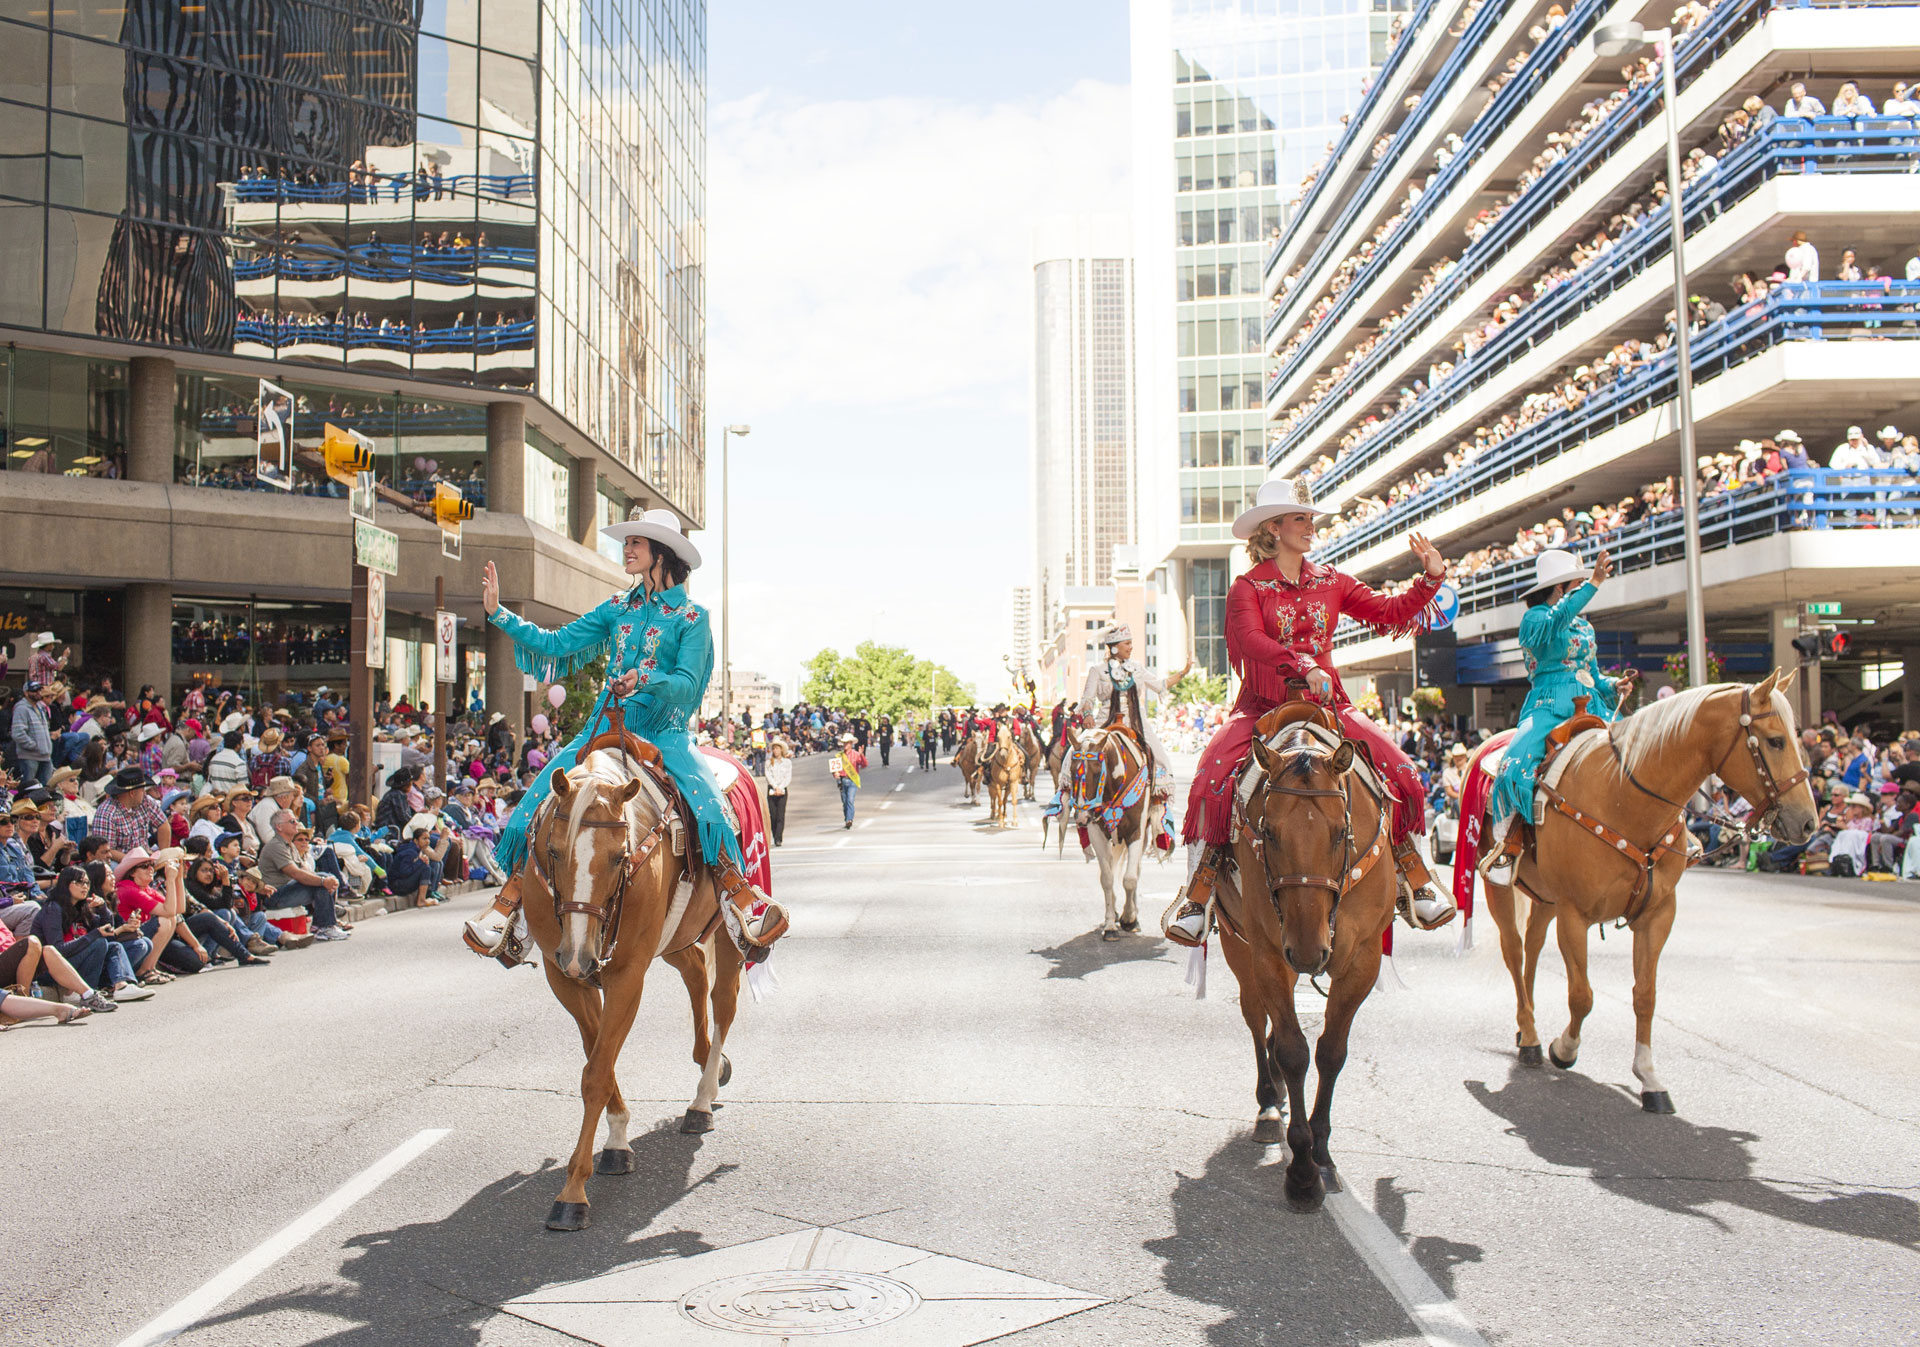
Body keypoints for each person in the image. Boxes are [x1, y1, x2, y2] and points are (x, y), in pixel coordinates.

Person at [463, 509, 788, 961]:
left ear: (662, 553)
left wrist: (646, 679)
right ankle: (511, 902)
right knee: (534, 803)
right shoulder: (617, 607)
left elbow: (690, 685)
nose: (627, 549)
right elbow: (556, 644)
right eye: (628, 541)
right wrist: (499, 614)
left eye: (636, 542)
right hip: (604, 727)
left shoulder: (693, 618)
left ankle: (739, 898)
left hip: (665, 732)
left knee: (712, 809)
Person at [1164, 476, 1455, 946]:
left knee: (1401, 771)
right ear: (1274, 527)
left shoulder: (1332, 580)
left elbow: (1388, 611)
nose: (1311, 526)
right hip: (1264, 706)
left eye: (1310, 518)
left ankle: (1414, 876)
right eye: (1301, 519)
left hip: (1329, 705)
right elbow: (1251, 642)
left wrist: (1431, 579)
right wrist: (1300, 664)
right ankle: (1199, 892)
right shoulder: (1247, 588)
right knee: (1209, 777)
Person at [1480, 549, 1634, 882]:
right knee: (1512, 768)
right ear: (1562, 588)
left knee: (1637, 752)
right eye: (1576, 583)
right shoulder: (1535, 619)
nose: (1582, 589)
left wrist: (1612, 685)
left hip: (1592, 701)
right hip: (1548, 705)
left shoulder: (1584, 626)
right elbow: (1557, 621)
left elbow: (1591, 671)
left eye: (1582, 583)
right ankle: (1508, 844)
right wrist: (1593, 584)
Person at [1074, 624, 1191, 804]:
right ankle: (1070, 793)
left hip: (1137, 721)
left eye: (1131, 643)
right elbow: (1087, 699)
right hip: (1106, 720)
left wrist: (1184, 672)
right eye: (1127, 643)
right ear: (1114, 646)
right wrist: (1088, 714)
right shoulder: (1097, 670)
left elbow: (1160, 685)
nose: (1131, 647)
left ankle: (1157, 799)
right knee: (1079, 751)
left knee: (1161, 757)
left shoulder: (1137, 668)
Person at [258, 810, 351, 942]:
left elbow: (305, 870)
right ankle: (323, 926)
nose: (296, 823)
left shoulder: (289, 845)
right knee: (321, 882)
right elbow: (295, 873)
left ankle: (325, 924)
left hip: (288, 890)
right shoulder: (276, 846)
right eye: (292, 821)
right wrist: (323, 881)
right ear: (279, 827)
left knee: (324, 878)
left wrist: (328, 880)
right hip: (275, 895)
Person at [830, 732, 866, 830]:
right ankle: (847, 817)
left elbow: (864, 764)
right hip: (842, 780)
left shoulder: (856, 754)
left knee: (850, 800)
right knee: (845, 801)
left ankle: (849, 820)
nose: (845, 745)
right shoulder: (839, 755)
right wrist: (835, 774)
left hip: (852, 781)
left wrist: (862, 755)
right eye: (844, 743)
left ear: (851, 744)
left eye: (847, 743)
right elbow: (834, 769)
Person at [765, 736, 793, 847]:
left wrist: (780, 787)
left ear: (781, 750)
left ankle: (778, 838)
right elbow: (768, 776)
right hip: (772, 789)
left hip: (782, 789)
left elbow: (788, 777)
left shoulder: (787, 763)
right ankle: (774, 834)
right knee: (773, 815)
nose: (775, 751)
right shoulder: (768, 763)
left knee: (781, 815)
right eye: (774, 748)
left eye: (777, 748)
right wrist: (775, 786)